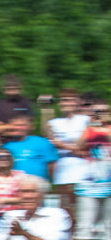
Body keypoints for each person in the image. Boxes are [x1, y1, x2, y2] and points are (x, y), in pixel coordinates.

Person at [74, 99, 111, 240]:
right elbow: (78, 146)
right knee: (85, 225)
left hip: (109, 185)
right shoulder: (88, 129)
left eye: (104, 111)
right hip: (89, 185)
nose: (100, 114)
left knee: (109, 228)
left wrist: (104, 127)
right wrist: (91, 127)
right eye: (97, 111)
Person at [44, 88, 90, 216]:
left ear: (77, 102)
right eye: (63, 100)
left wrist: (61, 144)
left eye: (70, 100)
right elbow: (49, 140)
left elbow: (85, 146)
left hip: (82, 167)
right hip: (62, 167)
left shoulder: (85, 120)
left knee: (82, 203)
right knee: (65, 205)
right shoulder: (54, 122)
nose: (66, 103)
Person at [1, 113, 59, 181]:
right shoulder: (7, 146)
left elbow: (52, 164)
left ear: (29, 127)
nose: (19, 128)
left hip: (39, 182)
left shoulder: (42, 142)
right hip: (15, 183)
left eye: (22, 125)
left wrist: (50, 180)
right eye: (16, 125)